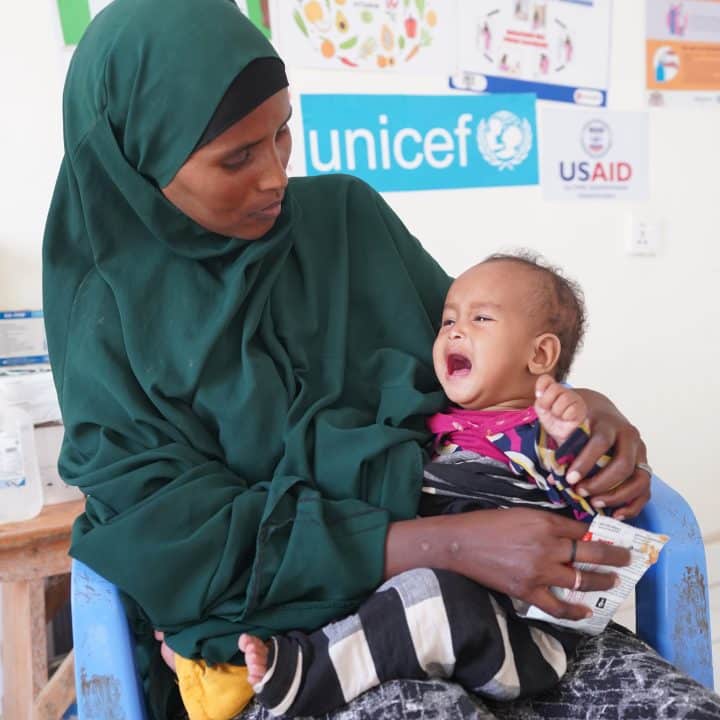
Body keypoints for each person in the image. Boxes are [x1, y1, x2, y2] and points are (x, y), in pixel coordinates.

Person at [42, 1, 719, 719]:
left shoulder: (346, 222)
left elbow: (482, 371)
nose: (274, 176)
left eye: (282, 134)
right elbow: (177, 542)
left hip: (498, 606)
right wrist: (449, 544)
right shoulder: (106, 317)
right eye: (236, 158)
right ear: (137, 165)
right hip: (294, 649)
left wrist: (591, 414)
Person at [234, 254, 622, 718]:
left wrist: (571, 438)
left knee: (433, 597)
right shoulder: (434, 425)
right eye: (448, 320)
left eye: (480, 318)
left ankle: (306, 676)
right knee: (383, 575)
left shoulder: (540, 431)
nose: (456, 331)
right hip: (448, 605)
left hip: (524, 636)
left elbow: (594, 494)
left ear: (539, 355)